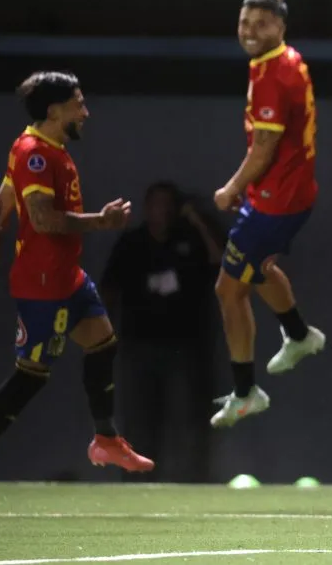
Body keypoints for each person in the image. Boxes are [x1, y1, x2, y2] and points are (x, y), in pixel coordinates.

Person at [0, 71, 153, 507]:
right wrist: (101, 221)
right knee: (31, 377)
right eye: (78, 103)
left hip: (68, 276)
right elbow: (41, 219)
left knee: (103, 343)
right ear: (54, 110)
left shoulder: (39, 147)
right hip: (44, 285)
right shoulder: (35, 155)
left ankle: (106, 438)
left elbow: (3, 202)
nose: (85, 111)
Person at [210, 0, 325, 428]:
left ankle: (245, 393)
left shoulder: (273, 75)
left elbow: (265, 146)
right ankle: (299, 335)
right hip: (283, 193)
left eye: (262, 23)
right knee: (255, 270)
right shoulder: (281, 60)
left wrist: (232, 186)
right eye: (245, 23)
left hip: (277, 200)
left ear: (281, 27)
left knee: (228, 289)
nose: (251, 31)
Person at [101, 181, 222, 482]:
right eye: (157, 204)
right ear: (146, 208)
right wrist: (103, 336)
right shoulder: (132, 244)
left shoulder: (190, 240)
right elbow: (109, 290)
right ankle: (137, 484)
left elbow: (219, 260)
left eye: (169, 204)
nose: (163, 211)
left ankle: (191, 483)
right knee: (139, 419)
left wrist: (196, 219)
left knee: (188, 418)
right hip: (140, 346)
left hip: (185, 348)